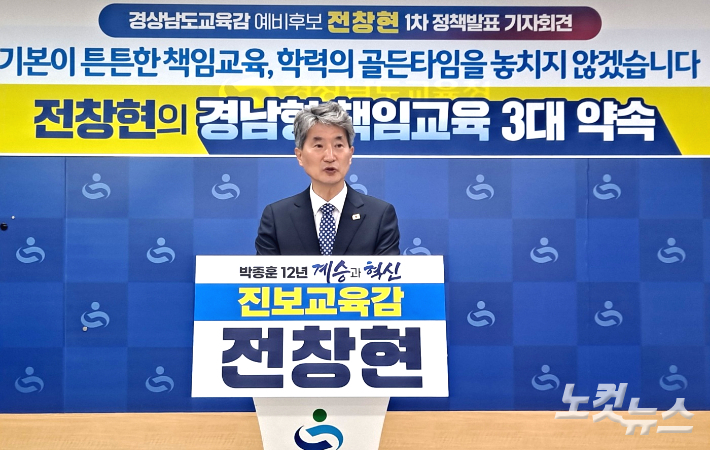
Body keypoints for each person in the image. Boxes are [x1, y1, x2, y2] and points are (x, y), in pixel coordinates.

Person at [255, 101, 400, 255]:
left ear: (350, 154)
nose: (330, 157)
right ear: (300, 155)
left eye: (338, 145)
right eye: (319, 146)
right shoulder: (277, 218)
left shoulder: (379, 216)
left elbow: (387, 270)